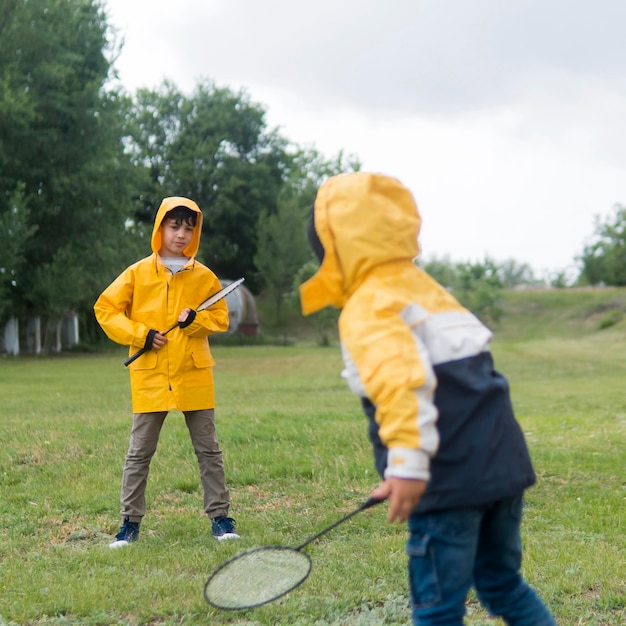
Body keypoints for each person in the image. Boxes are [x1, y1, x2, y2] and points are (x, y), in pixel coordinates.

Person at [299, 172, 556, 625]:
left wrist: (408, 467)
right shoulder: (433, 292)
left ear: (334, 248)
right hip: (502, 472)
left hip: (447, 484)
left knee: (437, 609)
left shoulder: (368, 305)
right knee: (502, 585)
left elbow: (402, 382)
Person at [94, 196, 240, 548]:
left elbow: (219, 318)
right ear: (160, 228)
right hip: (150, 373)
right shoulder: (137, 272)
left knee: (209, 450)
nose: (182, 235)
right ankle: (129, 524)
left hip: (193, 373)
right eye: (175, 227)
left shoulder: (204, 276)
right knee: (139, 452)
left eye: (189, 228)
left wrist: (195, 321)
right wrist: (140, 335)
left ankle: (220, 518)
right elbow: (105, 308)